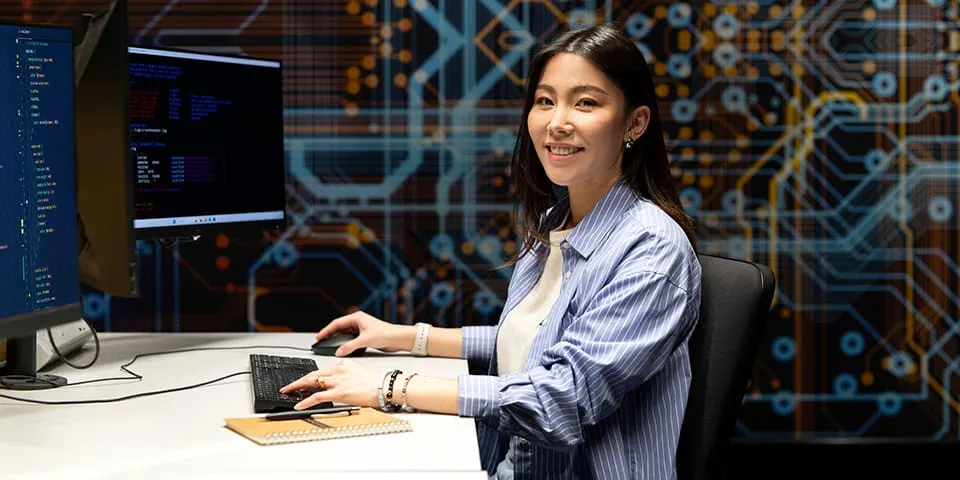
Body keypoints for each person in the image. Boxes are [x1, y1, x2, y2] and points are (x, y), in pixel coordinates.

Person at [281, 24, 702, 479]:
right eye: (545, 100)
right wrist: (402, 336)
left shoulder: (652, 250)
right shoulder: (554, 223)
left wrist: (392, 386)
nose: (557, 121)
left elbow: (560, 397)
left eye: (585, 102)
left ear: (634, 124)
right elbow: (528, 340)